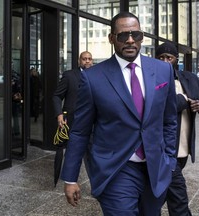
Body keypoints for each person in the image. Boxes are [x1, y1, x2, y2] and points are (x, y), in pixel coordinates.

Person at [60, 12, 177, 215]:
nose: (130, 40)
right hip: (116, 169)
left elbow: (169, 120)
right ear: (112, 38)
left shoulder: (162, 70)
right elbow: (80, 131)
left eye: (136, 35)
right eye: (123, 35)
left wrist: (169, 159)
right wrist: (70, 177)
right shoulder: (92, 78)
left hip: (155, 169)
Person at [156, 42, 199, 216]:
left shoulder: (190, 78)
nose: (165, 61)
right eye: (161, 58)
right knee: (178, 199)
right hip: (164, 150)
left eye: (169, 57)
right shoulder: (151, 79)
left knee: (158, 193)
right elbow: (158, 105)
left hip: (184, 147)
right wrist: (183, 99)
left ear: (176, 59)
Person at [52, 51, 93, 186]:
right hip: (72, 123)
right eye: (84, 59)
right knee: (71, 154)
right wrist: (59, 114)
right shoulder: (69, 76)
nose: (87, 61)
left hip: (93, 123)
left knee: (92, 155)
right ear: (79, 61)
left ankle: (96, 184)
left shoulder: (97, 75)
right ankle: (66, 181)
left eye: (89, 59)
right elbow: (57, 96)